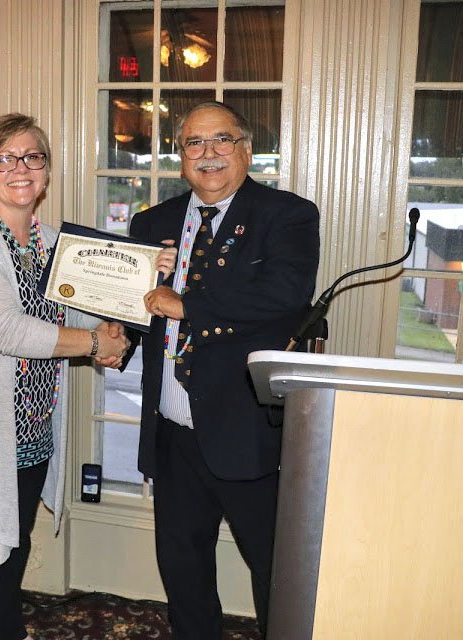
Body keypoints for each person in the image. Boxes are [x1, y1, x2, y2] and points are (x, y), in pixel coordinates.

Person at [0, 113, 153, 640]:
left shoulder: (53, 243)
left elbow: (74, 316)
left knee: (10, 562)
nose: (20, 168)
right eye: (4, 158)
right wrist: (96, 344)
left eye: (33, 157)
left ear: (47, 171)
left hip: (32, 435)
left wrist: (134, 291)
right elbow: (4, 330)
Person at [130, 101, 320, 639]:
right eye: (194, 143)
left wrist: (184, 301)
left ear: (246, 149)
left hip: (246, 430)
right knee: (183, 567)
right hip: (172, 428)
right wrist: (114, 334)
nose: (208, 154)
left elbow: (284, 296)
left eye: (222, 140)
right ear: (180, 156)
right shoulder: (152, 223)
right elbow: (135, 305)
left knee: (274, 570)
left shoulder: (287, 215)